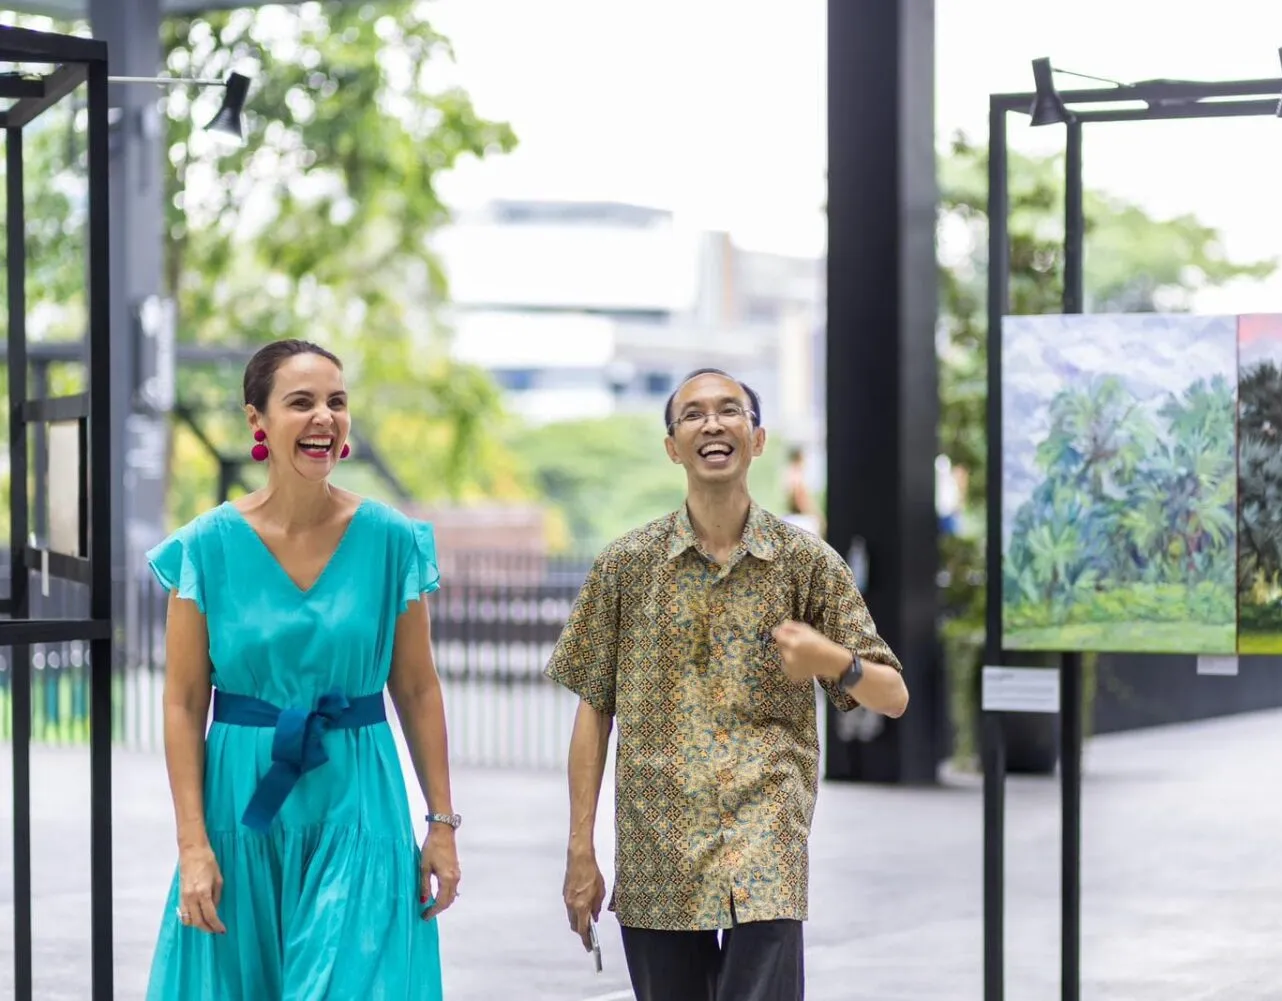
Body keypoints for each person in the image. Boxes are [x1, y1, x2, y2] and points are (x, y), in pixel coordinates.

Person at [547, 367, 909, 1001]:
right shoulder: (626, 566)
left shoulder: (806, 564)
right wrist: (581, 847)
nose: (712, 424)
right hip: (657, 846)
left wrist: (832, 659)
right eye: (693, 414)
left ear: (758, 438)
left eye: (729, 410)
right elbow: (593, 710)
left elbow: (893, 696)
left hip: (766, 840)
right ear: (672, 447)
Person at [143, 339, 462, 999]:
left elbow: (416, 687)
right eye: (301, 402)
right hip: (241, 807)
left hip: (359, 801)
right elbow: (182, 702)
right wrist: (193, 844)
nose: (324, 417)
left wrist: (441, 822)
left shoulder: (391, 540)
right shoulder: (204, 547)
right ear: (256, 419)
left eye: (336, 402)